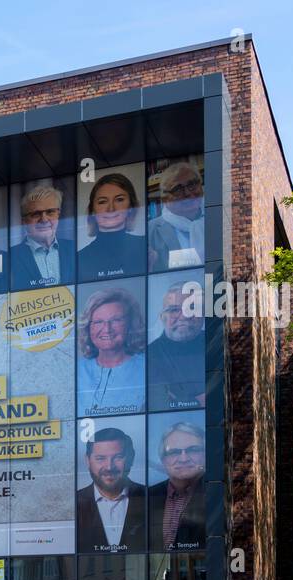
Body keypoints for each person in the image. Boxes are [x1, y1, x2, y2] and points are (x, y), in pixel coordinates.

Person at [77, 286, 147, 416]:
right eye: (98, 322)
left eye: (116, 320)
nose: (107, 329)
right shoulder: (75, 371)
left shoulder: (149, 368)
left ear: (131, 324)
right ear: (88, 327)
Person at [75, 427, 146, 553]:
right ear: (87, 460)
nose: (109, 467)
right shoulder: (72, 504)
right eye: (100, 458)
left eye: (118, 457)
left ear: (131, 458)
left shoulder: (152, 498)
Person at [147, 422, 206, 551]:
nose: (183, 458)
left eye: (193, 450)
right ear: (163, 460)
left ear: (205, 455)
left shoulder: (217, 491)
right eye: (174, 452)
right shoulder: (147, 496)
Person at [147, 282, 206, 409]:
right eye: (174, 310)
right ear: (162, 317)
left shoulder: (218, 346)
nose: (184, 316)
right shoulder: (147, 356)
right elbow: (158, 403)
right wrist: (198, 402)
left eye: (192, 308)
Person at [78, 172, 146, 281]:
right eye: (102, 202)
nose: (111, 209)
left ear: (131, 206)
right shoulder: (78, 259)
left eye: (119, 200)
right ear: (92, 211)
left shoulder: (146, 246)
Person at [10, 184, 75, 289]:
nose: (44, 220)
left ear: (58, 215)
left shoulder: (75, 249)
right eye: (36, 214)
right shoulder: (10, 257)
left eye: (50, 212)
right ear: (24, 222)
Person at [148, 162, 205, 271]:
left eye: (192, 184)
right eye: (178, 189)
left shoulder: (219, 216)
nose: (188, 193)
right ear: (164, 199)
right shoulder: (150, 231)